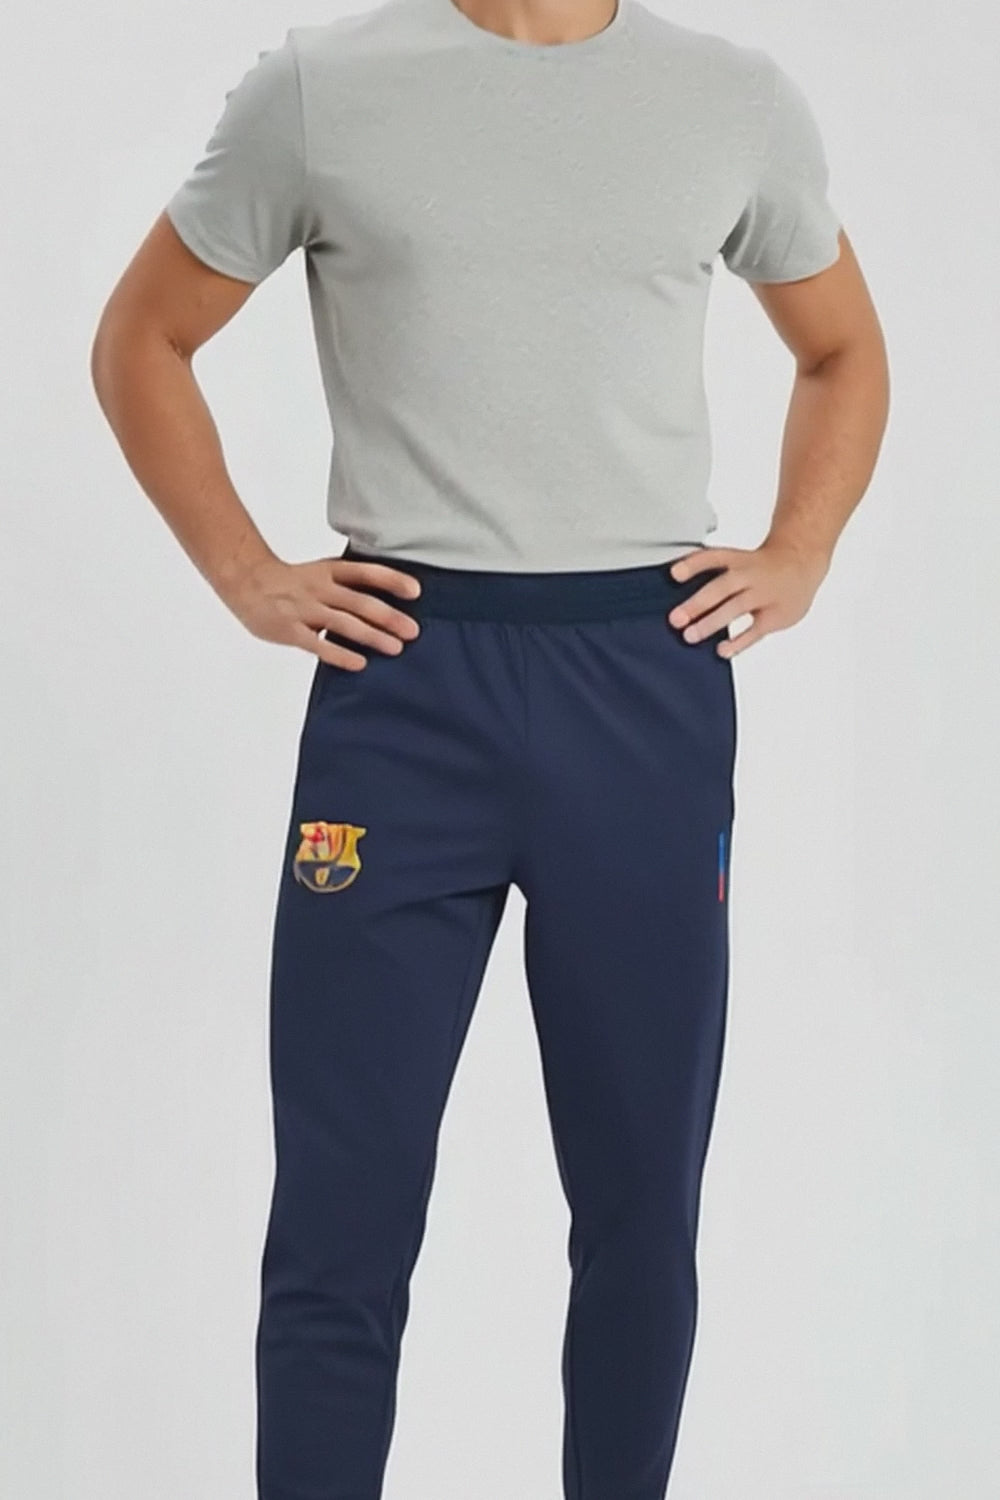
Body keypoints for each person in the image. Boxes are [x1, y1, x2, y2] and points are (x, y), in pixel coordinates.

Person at [90, 0, 889, 1495]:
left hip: (642, 682)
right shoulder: (321, 88)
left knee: (641, 1209)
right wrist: (245, 572)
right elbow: (145, 337)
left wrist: (801, 549)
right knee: (342, 1213)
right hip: (403, 680)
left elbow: (840, 347)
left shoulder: (728, 96)